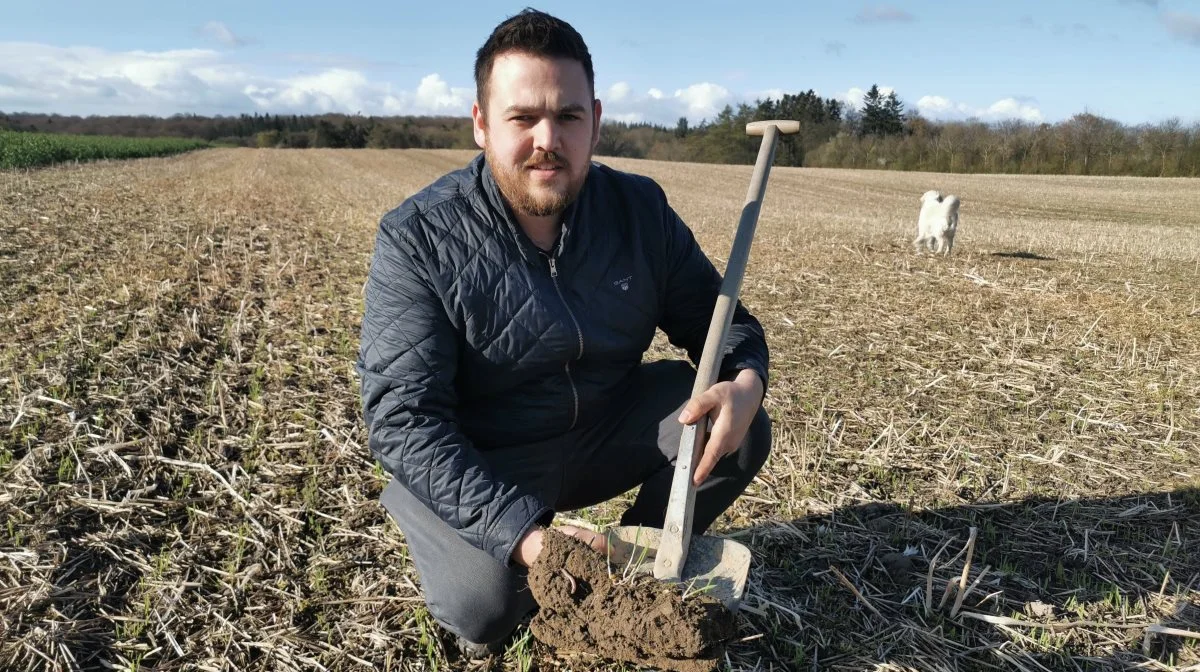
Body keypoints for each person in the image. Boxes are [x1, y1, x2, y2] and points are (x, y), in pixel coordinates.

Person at [356, 7, 771, 656]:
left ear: (595, 123)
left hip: (605, 426)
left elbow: (723, 325)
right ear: (482, 125)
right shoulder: (419, 240)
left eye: (568, 117)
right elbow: (404, 419)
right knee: (483, 607)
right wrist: (526, 538)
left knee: (738, 431)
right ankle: (504, 560)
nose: (547, 138)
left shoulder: (639, 211)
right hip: (489, 453)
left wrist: (745, 380)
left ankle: (631, 567)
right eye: (522, 118)